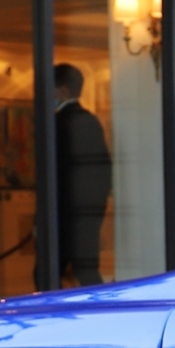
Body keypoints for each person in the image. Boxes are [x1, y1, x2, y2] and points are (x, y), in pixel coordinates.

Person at [53, 63, 112, 285]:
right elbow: (103, 168)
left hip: (65, 212)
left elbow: (57, 173)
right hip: (88, 212)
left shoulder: (58, 123)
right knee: (86, 268)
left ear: (63, 90)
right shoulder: (91, 121)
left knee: (49, 272)